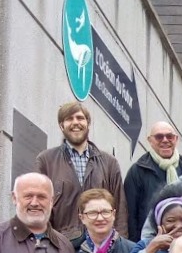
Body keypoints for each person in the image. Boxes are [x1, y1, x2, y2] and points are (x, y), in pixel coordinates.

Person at [36, 102, 127, 239]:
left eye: (80, 118)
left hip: (100, 245)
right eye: (69, 119)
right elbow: (39, 205)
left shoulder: (109, 163)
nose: (75, 122)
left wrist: (120, 245)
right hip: (61, 244)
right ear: (61, 126)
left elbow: (120, 209)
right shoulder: (46, 161)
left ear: (88, 123)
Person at [124, 122, 182, 242]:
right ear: (150, 140)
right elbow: (130, 215)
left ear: (176, 139)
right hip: (149, 242)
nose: (165, 140)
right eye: (159, 137)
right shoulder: (137, 171)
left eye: (169, 136)